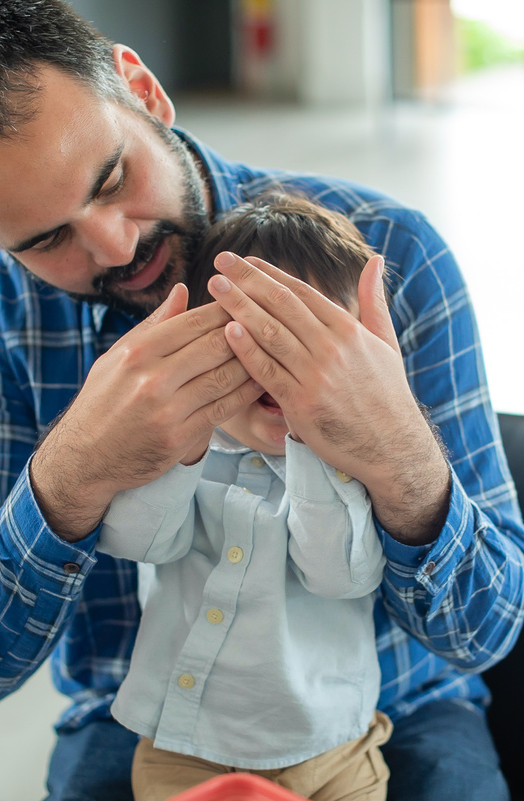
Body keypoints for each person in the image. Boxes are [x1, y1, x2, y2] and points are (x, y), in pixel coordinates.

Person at [0, 2, 524, 800]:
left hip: (396, 709)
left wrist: (396, 450)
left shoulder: (385, 252)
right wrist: (72, 475)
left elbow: (486, 628)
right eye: (45, 241)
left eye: (113, 178)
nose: (115, 248)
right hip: (142, 720)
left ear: (144, 92)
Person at [104, 192, 393, 801]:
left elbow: (340, 573)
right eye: (256, 333)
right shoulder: (187, 444)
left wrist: (317, 432)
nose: (278, 362)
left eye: (308, 341)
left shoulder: (356, 462)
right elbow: (138, 541)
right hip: (184, 749)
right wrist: (183, 432)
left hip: (334, 751)